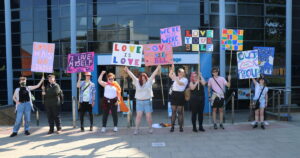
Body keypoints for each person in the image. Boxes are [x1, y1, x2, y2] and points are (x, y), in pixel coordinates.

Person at [124, 65, 161, 135]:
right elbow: (132, 76)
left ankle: (150, 128)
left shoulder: (149, 82)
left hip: (148, 102)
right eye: (142, 78)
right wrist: (127, 70)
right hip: (139, 102)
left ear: (146, 78)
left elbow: (153, 74)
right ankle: (136, 129)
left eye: (144, 78)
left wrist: (157, 68)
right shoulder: (137, 82)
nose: (143, 79)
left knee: (149, 117)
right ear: (140, 78)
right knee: (138, 116)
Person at [169, 64, 188, 132]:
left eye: (182, 72)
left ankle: (180, 127)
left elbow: (180, 83)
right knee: (173, 111)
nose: (180, 73)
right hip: (174, 94)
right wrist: (172, 69)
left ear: (184, 73)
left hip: (180, 95)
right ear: (178, 72)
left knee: (180, 112)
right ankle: (172, 127)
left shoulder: (185, 79)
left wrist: (175, 77)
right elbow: (170, 75)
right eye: (179, 72)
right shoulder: (175, 77)